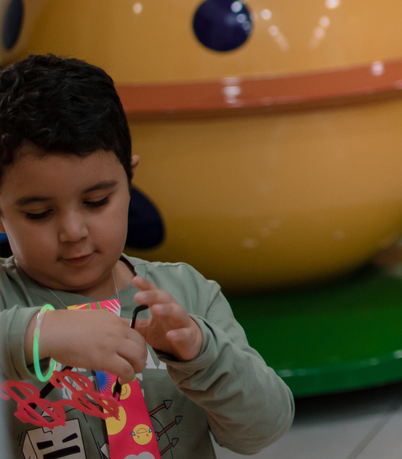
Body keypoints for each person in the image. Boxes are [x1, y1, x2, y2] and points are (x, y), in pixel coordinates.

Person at [0, 54, 294, 457]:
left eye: (97, 201)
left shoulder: (184, 293)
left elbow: (264, 429)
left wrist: (201, 354)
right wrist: (40, 333)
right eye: (39, 213)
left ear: (130, 180)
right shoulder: (6, 297)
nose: (73, 231)